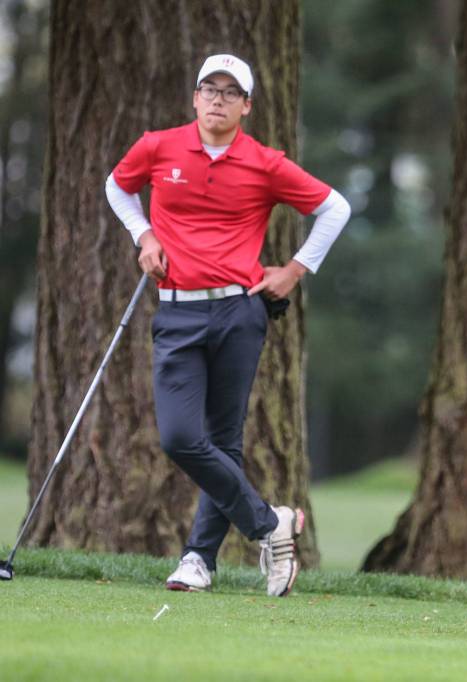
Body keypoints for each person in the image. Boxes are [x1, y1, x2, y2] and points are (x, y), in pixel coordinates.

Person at [105, 54, 351, 597]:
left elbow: (335, 208)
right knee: (179, 437)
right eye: (208, 89)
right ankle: (269, 524)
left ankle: (198, 559)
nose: (217, 99)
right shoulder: (158, 147)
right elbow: (116, 186)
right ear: (194, 98)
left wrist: (295, 269)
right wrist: (143, 236)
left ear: (247, 105)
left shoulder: (264, 163)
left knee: (223, 438)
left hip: (239, 310)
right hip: (177, 310)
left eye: (229, 91)